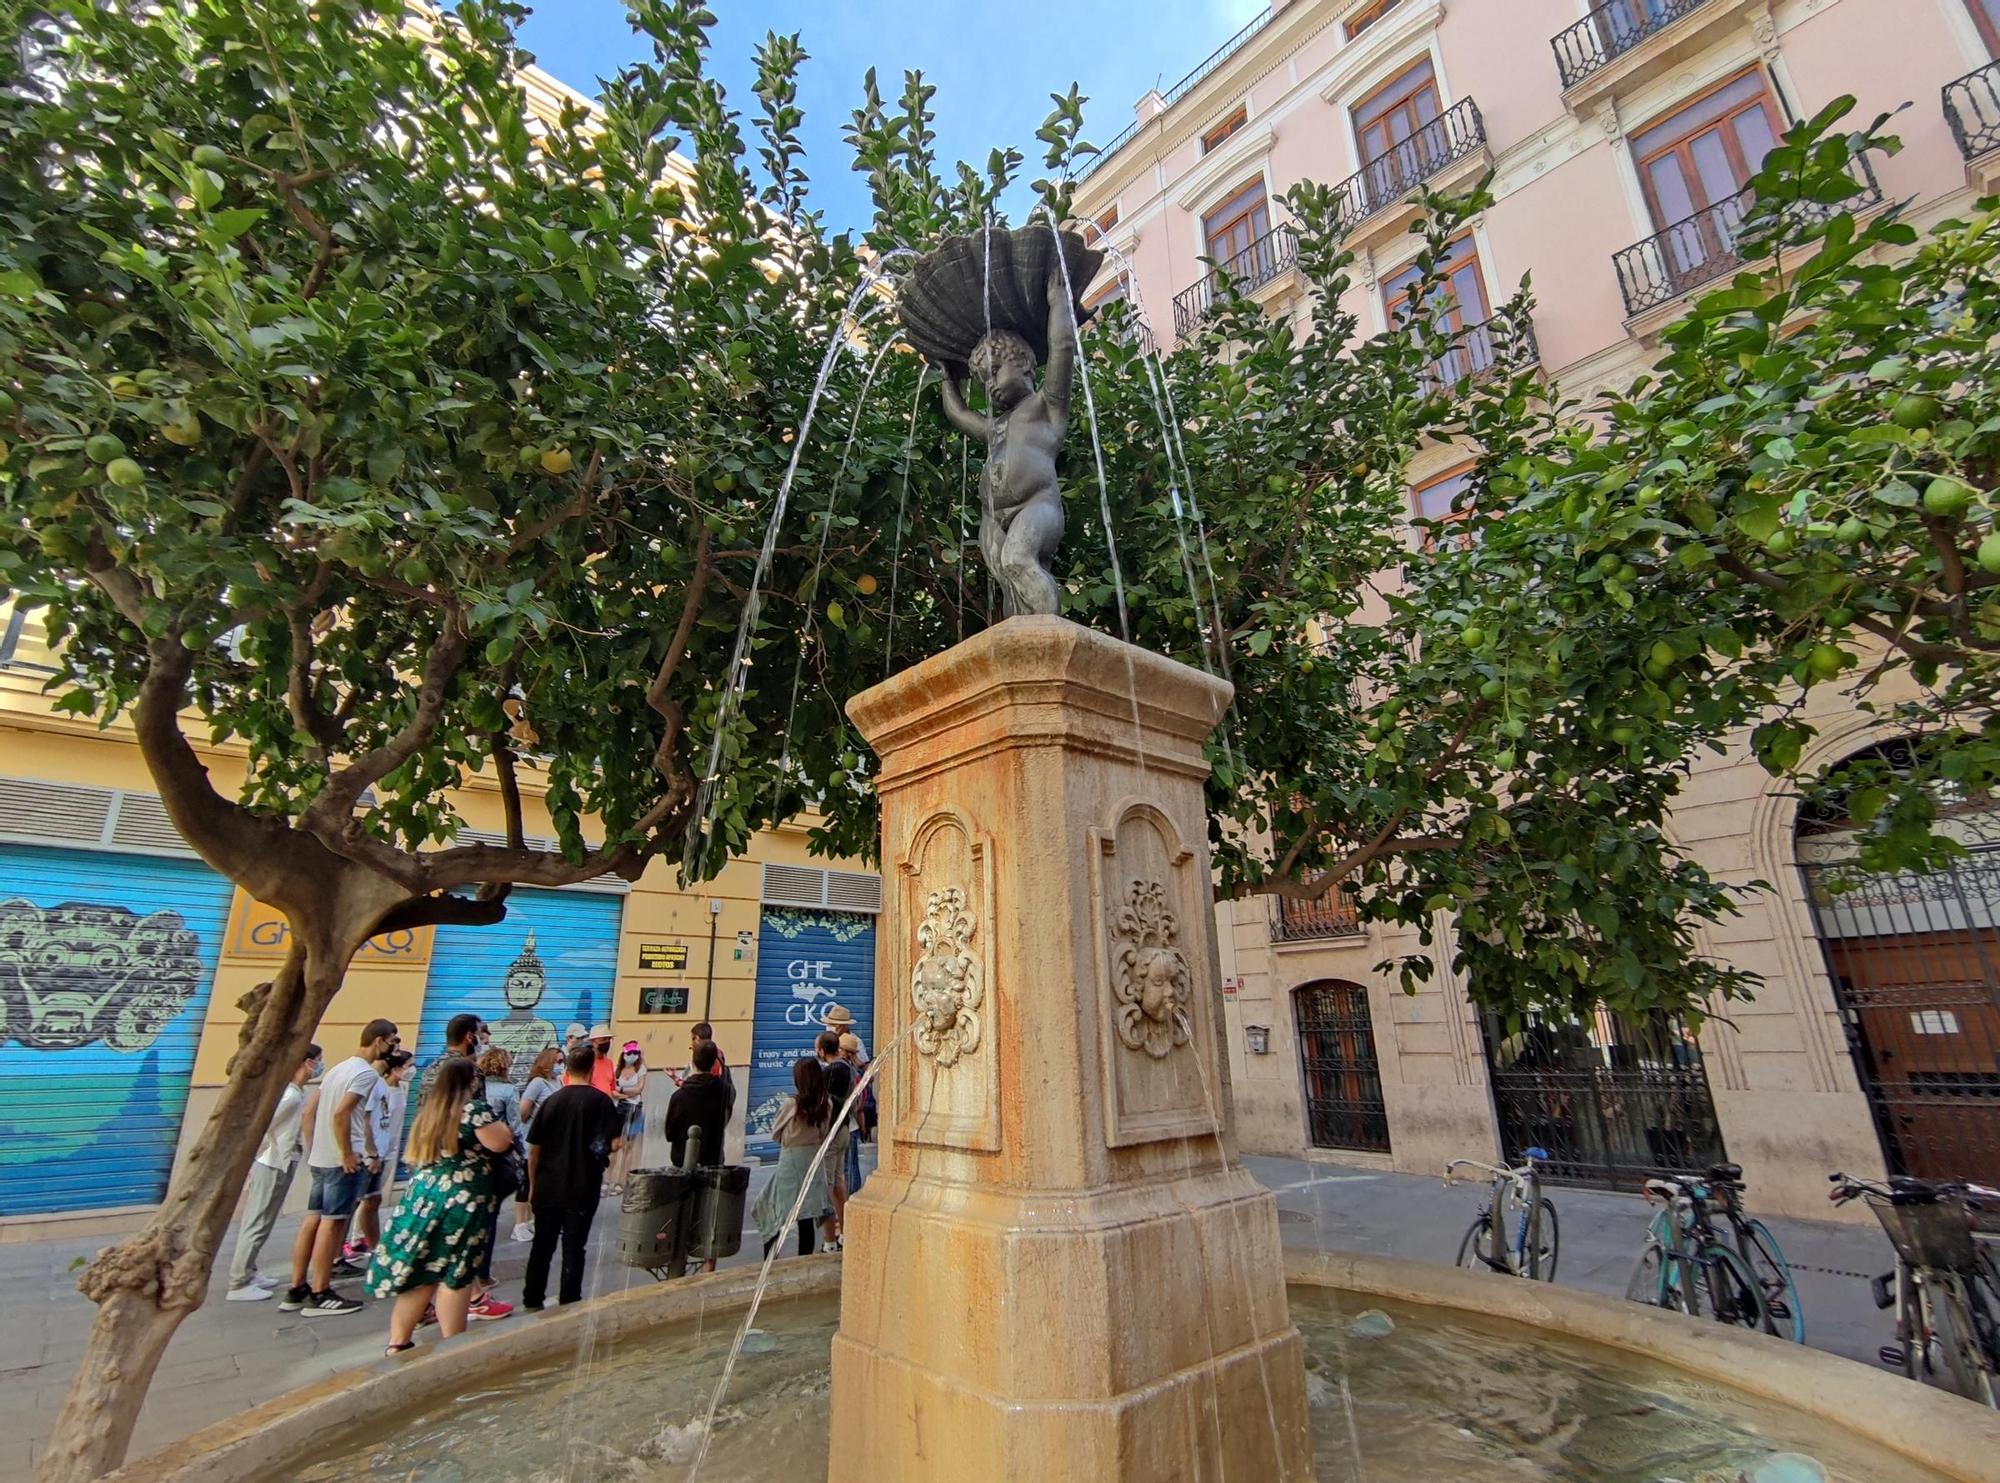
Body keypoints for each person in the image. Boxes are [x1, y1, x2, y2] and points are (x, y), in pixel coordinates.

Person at [365, 1056, 514, 1354]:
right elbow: (500, 1143)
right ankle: (454, 1348)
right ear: (469, 1081)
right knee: (455, 1273)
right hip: (462, 1200)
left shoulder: (430, 1111)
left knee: (423, 1272)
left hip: (424, 1196)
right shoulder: (473, 1110)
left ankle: (398, 1343)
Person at [281, 1019, 397, 1316]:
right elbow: (342, 1112)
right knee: (333, 1223)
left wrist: (314, 1149)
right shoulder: (364, 1074)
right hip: (340, 1160)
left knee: (314, 1219)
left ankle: (297, 1288)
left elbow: (311, 1111)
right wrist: (347, 1153)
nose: (394, 1047)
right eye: (392, 1041)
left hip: (322, 1157)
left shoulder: (337, 1069)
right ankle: (320, 1292)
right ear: (379, 1040)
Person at [523, 1043, 625, 1310]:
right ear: (592, 1070)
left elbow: (534, 1150)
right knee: (574, 1246)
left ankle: (532, 1298)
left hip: (548, 1185)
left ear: (566, 1069)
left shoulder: (551, 1102)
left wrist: (533, 1185)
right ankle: (570, 1299)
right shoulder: (601, 1101)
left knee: (542, 1246)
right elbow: (615, 1143)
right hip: (583, 1184)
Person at [225, 1042, 321, 1301]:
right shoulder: (289, 1096)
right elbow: (261, 1127)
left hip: (282, 1161)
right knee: (256, 1222)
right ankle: (238, 1281)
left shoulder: (295, 1093)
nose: (318, 1067)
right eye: (316, 1061)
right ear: (305, 1062)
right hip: (272, 1163)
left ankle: (250, 1271)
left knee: (264, 1222)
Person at [751, 1057, 834, 1259]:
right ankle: (803, 1259)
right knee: (805, 1215)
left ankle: (770, 1260)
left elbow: (776, 1133)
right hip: (812, 1160)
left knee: (773, 1211)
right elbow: (825, 1133)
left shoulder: (792, 1104)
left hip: (790, 1162)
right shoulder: (826, 1104)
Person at [348, 1049, 413, 1258]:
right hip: (373, 1152)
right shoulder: (377, 1086)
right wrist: (371, 1152)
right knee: (362, 1199)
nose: (412, 1070)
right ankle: (354, 1240)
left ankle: (365, 1239)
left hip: (387, 1150)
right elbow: (367, 1120)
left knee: (373, 1199)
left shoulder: (399, 1090)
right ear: (394, 1068)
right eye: (408, 1065)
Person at [475, 1047, 525, 1305]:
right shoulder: (507, 1090)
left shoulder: (478, 1089)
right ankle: (482, 1275)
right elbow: (514, 1127)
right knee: (490, 1217)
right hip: (498, 1157)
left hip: (474, 1157)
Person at [514, 1046, 563, 1242]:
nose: (561, 1065)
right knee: (526, 1181)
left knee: (544, 1182)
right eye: (558, 1061)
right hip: (532, 1139)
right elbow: (522, 1112)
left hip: (551, 1141)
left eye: (563, 1061)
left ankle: (537, 1219)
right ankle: (520, 1224)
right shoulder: (537, 1083)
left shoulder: (557, 1081)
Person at [815, 1031, 854, 1249]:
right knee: (839, 1181)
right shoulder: (846, 1067)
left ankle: (830, 1240)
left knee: (827, 1185)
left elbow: (825, 1100)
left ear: (822, 1050)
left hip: (831, 1132)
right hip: (844, 1128)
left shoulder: (832, 1070)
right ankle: (844, 1232)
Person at [609, 1040, 648, 1191]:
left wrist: (621, 1090)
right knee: (615, 1145)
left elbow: (638, 1090)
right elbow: (612, 1090)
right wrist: (625, 1092)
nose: (632, 1056)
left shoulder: (641, 1069)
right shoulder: (616, 1069)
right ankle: (608, 1181)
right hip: (619, 1108)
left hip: (635, 1108)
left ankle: (622, 1181)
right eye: (629, 1053)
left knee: (629, 1147)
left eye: (635, 1053)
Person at [839, 1032, 869, 1197]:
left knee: (848, 1167)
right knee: (852, 1165)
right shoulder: (854, 1070)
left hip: (848, 1126)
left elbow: (858, 1100)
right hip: (852, 1125)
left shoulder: (846, 1070)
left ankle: (850, 1199)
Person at [587, 1023, 617, 1096]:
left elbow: (612, 1088)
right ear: (592, 1042)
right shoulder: (585, 1061)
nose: (607, 1042)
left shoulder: (609, 1062)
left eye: (608, 1039)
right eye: (603, 1039)